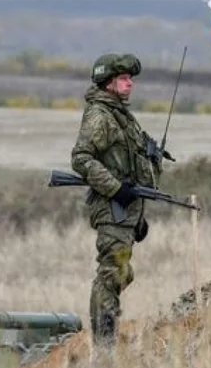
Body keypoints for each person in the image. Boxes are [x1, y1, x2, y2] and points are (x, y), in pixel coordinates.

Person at [70, 52, 163, 348]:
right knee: (112, 274)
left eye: (130, 79)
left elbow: (129, 166)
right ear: (109, 82)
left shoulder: (120, 115)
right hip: (112, 207)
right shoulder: (101, 115)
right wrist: (115, 189)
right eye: (123, 79)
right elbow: (81, 159)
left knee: (120, 273)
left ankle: (106, 341)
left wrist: (137, 214)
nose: (129, 84)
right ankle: (103, 347)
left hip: (124, 211)